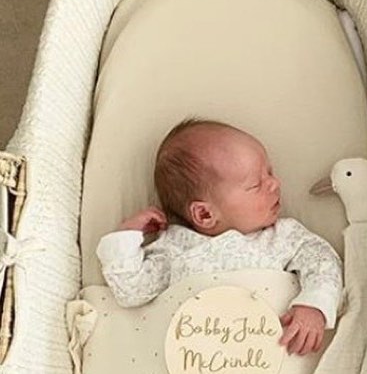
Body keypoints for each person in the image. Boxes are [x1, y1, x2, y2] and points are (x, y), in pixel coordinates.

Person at [95, 119, 342, 356]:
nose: (275, 184)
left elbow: (322, 261)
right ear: (204, 214)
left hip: (272, 349)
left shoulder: (283, 236)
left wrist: (314, 305)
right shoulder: (176, 248)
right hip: (200, 360)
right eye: (255, 185)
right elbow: (131, 291)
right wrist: (126, 236)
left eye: (270, 172)